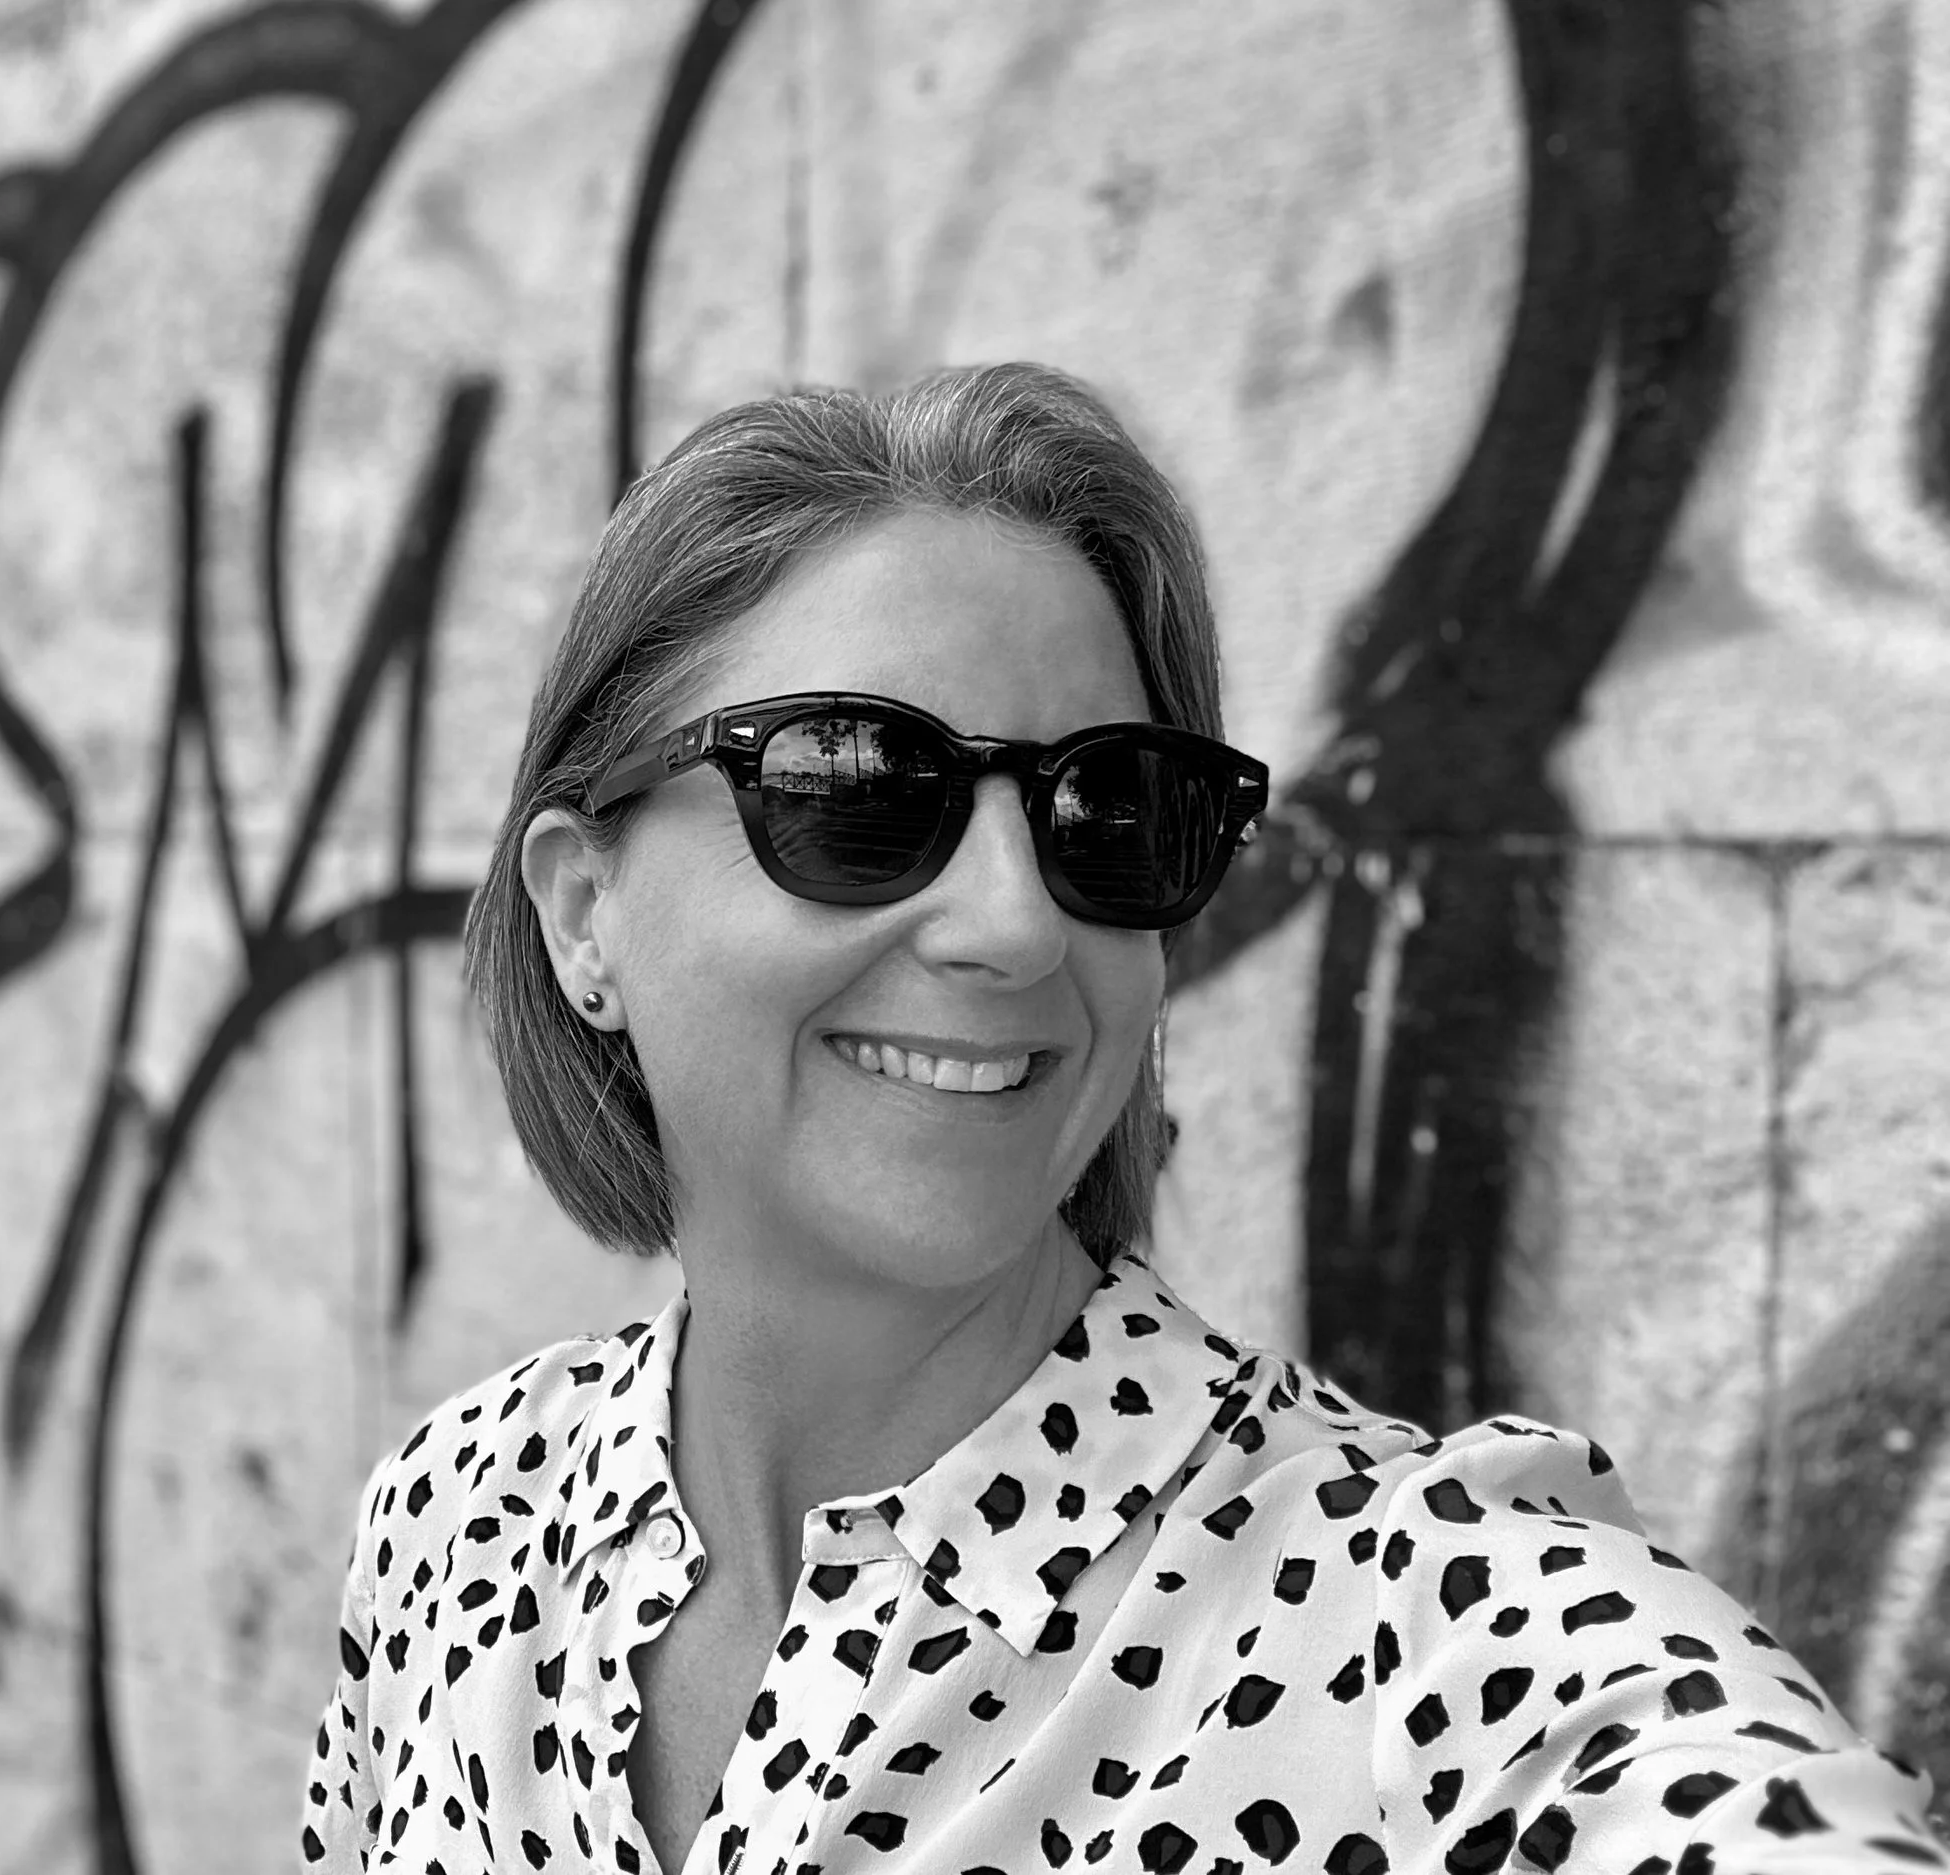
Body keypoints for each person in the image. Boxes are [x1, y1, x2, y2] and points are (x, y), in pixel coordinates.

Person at [298, 365, 1942, 1874]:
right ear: (585, 912)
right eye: (859, 788)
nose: (1017, 925)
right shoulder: (457, 1524)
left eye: (1111, 808)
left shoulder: (1419, 1639)